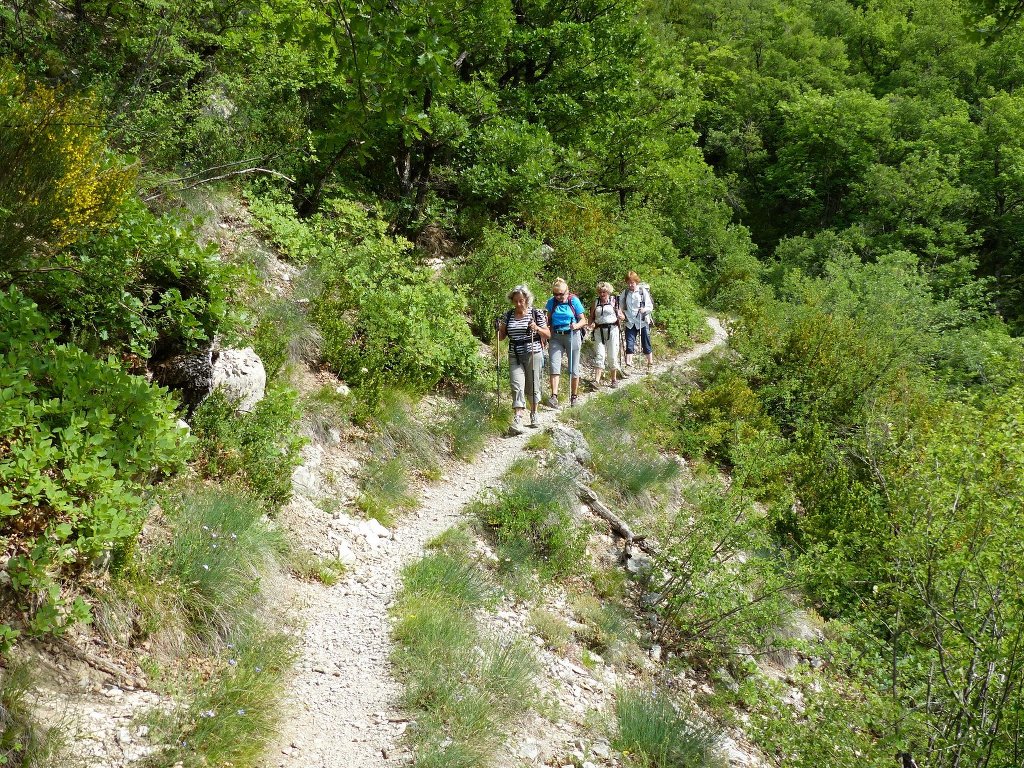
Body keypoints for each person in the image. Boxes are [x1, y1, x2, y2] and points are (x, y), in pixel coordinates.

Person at [497, 284, 549, 432]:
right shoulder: (508, 315)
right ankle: (518, 417)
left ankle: (534, 413)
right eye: (516, 301)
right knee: (516, 385)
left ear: (527, 299)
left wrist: (537, 328)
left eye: (521, 300)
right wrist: (498, 328)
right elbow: (501, 337)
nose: (519, 304)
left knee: (533, 383)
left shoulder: (536, 313)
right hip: (515, 353)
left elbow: (548, 334)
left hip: (534, 352)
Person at [545, 277, 587, 407]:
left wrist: (576, 326)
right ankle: (554, 396)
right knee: (554, 365)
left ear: (567, 291)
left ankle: (573, 396)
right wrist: (543, 333)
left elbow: (583, 320)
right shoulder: (552, 302)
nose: (558, 296)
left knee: (573, 368)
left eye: (560, 294)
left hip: (572, 335)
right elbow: (548, 320)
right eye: (555, 294)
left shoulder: (574, 301)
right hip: (556, 336)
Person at [589, 281, 624, 388]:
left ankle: (613, 379)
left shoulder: (614, 301)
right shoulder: (595, 302)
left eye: (604, 292)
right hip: (599, 330)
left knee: (612, 355)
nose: (602, 294)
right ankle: (597, 381)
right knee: (600, 354)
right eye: (600, 292)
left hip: (613, 329)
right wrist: (589, 325)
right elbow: (591, 316)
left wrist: (621, 317)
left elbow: (622, 316)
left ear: (608, 292)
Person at [620, 271, 654, 371]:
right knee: (629, 343)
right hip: (630, 322)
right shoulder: (625, 293)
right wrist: (620, 313)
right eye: (628, 283)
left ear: (636, 282)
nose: (630, 285)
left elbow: (650, 306)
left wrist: (644, 310)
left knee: (646, 343)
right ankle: (628, 365)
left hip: (642, 321)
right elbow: (620, 306)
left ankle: (650, 364)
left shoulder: (642, 291)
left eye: (632, 282)